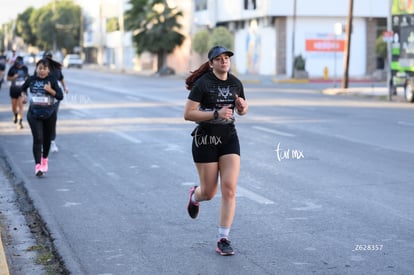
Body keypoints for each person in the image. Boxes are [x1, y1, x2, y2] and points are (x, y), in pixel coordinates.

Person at [184, 46, 248, 256]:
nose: (224, 62)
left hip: (229, 138)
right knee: (209, 193)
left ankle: (223, 238)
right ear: (211, 64)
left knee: (229, 188)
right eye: (218, 59)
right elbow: (188, 114)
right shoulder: (203, 84)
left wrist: (242, 108)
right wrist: (215, 114)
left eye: (226, 58)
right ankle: (195, 196)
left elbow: (242, 110)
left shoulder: (235, 83)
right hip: (206, 140)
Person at [21, 58, 63, 176]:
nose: (42, 71)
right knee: (38, 138)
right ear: (36, 68)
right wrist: (23, 96)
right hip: (34, 113)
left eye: (44, 69)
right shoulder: (31, 79)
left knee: (46, 139)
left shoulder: (52, 80)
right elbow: (23, 89)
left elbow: (60, 96)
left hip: (49, 114)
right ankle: (38, 166)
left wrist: (51, 90)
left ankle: (44, 160)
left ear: (48, 70)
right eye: (39, 68)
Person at [43, 51, 68, 152]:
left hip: (55, 97)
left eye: (49, 58)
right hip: (43, 97)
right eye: (46, 58)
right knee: (43, 118)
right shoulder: (41, 69)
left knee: (52, 119)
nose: (48, 60)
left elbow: (61, 79)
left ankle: (52, 141)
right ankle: (43, 141)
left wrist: (65, 87)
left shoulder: (56, 69)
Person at [7, 56, 29, 129]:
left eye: (21, 64)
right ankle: (15, 114)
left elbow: (27, 77)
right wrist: (13, 77)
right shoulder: (12, 68)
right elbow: (8, 78)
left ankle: (20, 122)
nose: (20, 65)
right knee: (14, 107)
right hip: (14, 90)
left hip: (22, 90)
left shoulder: (25, 68)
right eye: (19, 64)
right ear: (16, 63)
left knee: (21, 106)